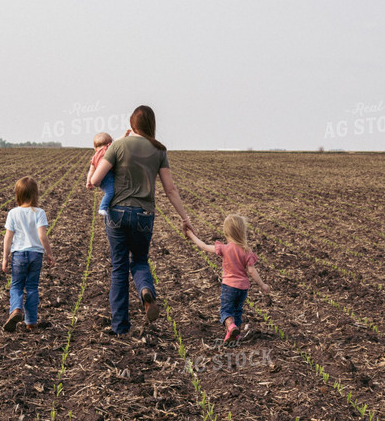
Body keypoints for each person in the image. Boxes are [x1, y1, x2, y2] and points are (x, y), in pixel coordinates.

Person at [89, 105, 194, 335]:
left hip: (116, 213)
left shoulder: (117, 145)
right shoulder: (159, 150)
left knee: (119, 268)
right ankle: (146, 290)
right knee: (139, 261)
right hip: (145, 215)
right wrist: (185, 218)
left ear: (132, 123)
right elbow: (170, 189)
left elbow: (96, 180)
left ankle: (120, 327)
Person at [185, 214, 270, 344]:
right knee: (237, 310)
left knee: (226, 310)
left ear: (226, 233)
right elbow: (252, 271)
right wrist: (262, 284)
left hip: (229, 287)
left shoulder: (225, 248)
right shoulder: (246, 251)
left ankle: (231, 327)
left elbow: (204, 246)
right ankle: (233, 336)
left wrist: (191, 235)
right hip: (243, 288)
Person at [1, 176, 54, 332]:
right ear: (35, 194)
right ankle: (31, 322)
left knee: (16, 286)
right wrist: (49, 254)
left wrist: (5, 258)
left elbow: (8, 237)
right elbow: (42, 236)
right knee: (32, 287)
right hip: (36, 255)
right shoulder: (39, 212)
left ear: (18, 194)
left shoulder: (13, 213)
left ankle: (16, 309)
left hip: (18, 255)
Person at [86, 132, 115, 219]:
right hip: (107, 177)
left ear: (95, 148)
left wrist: (88, 181)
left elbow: (91, 170)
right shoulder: (107, 150)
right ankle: (103, 207)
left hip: (101, 179)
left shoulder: (94, 157)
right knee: (110, 192)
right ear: (109, 144)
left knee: (110, 191)